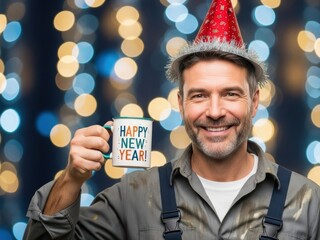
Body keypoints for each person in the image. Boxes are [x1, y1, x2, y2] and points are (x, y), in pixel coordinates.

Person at [24, 0, 320, 239]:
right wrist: (71, 179)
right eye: (199, 95)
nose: (215, 111)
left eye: (230, 94)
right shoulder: (133, 197)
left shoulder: (308, 202)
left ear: (254, 102)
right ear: (180, 103)